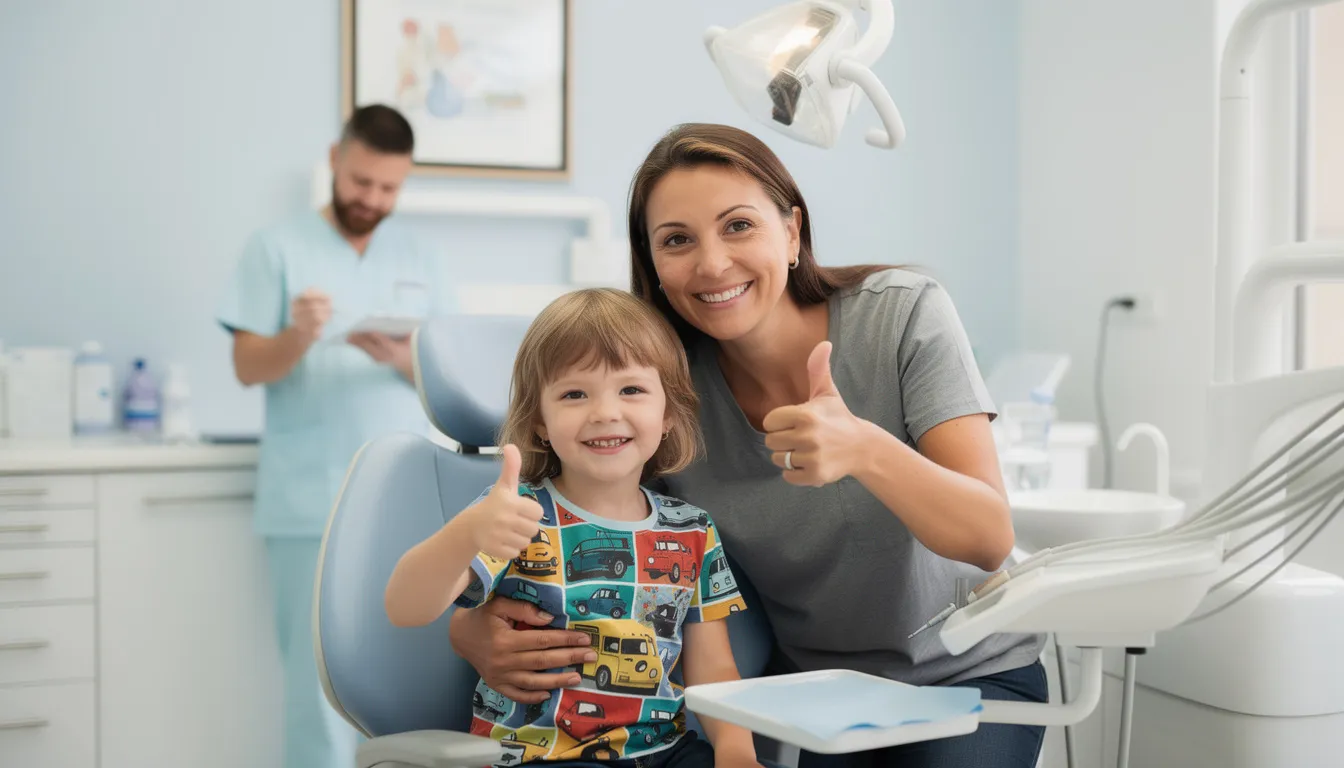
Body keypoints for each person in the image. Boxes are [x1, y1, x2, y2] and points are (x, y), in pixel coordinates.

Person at [448, 123, 1049, 768]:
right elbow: (600, 541)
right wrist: (469, 631)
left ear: (792, 232)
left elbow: (988, 538)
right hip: (813, 693)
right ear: (652, 263)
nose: (711, 264)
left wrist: (865, 449)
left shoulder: (902, 315)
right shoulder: (660, 395)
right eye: (677, 240)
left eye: (738, 225)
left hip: (969, 676)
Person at [386, 288, 761, 768]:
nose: (605, 412)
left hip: (664, 751)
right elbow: (405, 608)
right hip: (545, 754)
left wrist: (736, 750)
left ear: (668, 413)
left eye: (631, 390)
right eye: (574, 394)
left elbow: (713, 666)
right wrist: (467, 533)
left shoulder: (692, 529)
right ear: (540, 422)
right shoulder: (516, 513)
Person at [216, 104, 456, 768]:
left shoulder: (422, 255)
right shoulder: (276, 248)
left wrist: (401, 358)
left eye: (388, 187)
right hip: (309, 502)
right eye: (360, 182)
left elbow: (449, 373)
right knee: (316, 688)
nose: (371, 199)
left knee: (407, 683)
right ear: (334, 160)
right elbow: (247, 367)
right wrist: (297, 336)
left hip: (405, 508)